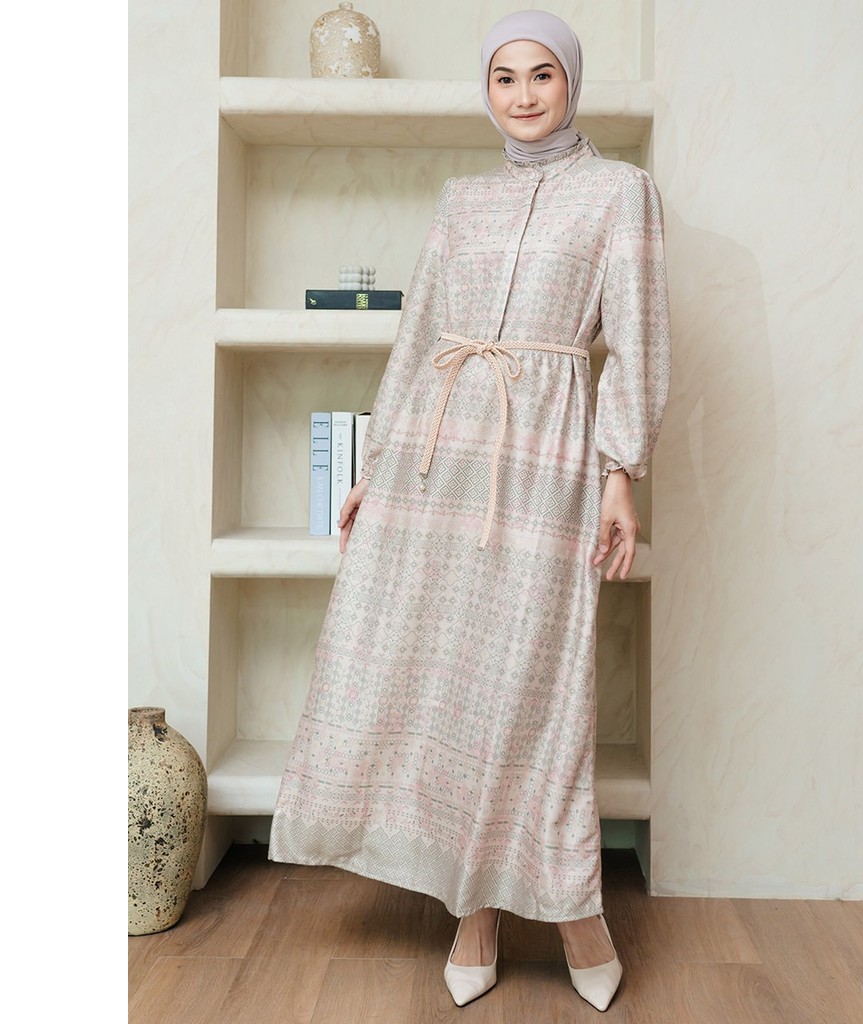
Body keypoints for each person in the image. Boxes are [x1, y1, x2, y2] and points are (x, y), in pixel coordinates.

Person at [269, 9, 671, 1012]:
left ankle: (575, 908)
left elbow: (637, 337)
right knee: (443, 678)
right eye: (504, 77)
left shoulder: (620, 193)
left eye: (542, 75)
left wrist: (621, 472)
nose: (523, 94)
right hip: (435, 461)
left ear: (570, 83)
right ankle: (474, 909)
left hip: (544, 461)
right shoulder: (462, 200)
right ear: (485, 89)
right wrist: (374, 465)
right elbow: (418, 336)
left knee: (535, 685)